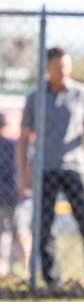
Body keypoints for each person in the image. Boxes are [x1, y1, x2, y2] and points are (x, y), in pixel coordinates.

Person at [16, 47, 84, 296]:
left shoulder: (81, 93)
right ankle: (52, 282)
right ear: (47, 68)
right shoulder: (34, 98)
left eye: (67, 67)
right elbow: (24, 139)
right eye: (59, 68)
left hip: (75, 168)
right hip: (44, 169)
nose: (64, 72)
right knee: (44, 227)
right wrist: (23, 175)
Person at [0, 112, 20, 278]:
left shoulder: (11, 146)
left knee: (5, 232)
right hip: (11, 194)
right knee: (13, 232)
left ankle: (4, 268)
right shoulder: (12, 145)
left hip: (7, 195)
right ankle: (17, 267)